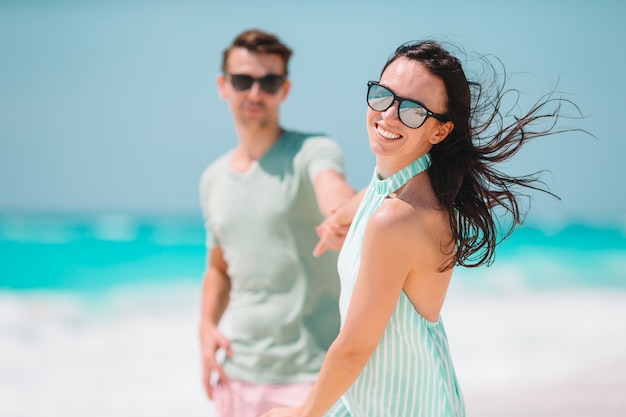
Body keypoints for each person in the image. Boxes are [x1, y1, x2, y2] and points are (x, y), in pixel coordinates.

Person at [263, 40, 582, 417]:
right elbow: (366, 197)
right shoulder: (395, 188)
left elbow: (354, 348)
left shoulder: (397, 218)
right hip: (373, 400)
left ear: (439, 132)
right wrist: (339, 221)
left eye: (413, 110)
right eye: (383, 96)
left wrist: (302, 414)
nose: (390, 115)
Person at [198, 29, 355, 417]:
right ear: (223, 85)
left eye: (269, 82)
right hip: (236, 380)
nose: (255, 93)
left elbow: (331, 186)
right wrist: (205, 326)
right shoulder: (212, 179)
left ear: (284, 89)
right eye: (243, 80)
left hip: (312, 380)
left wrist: (345, 214)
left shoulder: (313, 150)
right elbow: (220, 266)